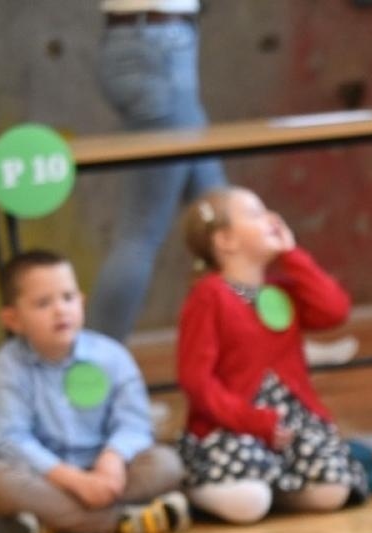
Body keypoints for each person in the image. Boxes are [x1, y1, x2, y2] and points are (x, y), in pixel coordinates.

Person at [176, 187, 368, 523]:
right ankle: (199, 485)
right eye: (254, 214)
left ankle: (272, 491)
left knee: (334, 490)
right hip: (233, 426)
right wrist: (251, 421)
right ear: (226, 241)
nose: (272, 219)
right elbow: (196, 380)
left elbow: (334, 310)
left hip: (290, 427)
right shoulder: (210, 295)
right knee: (249, 503)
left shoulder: (281, 289)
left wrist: (292, 255)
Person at [0, 249, 190, 533]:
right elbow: (11, 440)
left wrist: (111, 461)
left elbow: (134, 423)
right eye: (43, 303)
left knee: (167, 464)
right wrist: (75, 481)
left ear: (82, 301)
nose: (60, 310)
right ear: (13, 319)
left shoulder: (111, 355)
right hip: (49, 477)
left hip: (110, 473)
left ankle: (56, 523)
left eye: (68, 297)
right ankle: (122, 521)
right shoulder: (9, 367)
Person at [88, 0, 227, 342]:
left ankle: (273, 342)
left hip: (146, 42)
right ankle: (92, 370)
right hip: (159, 47)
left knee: (224, 216)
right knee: (140, 233)